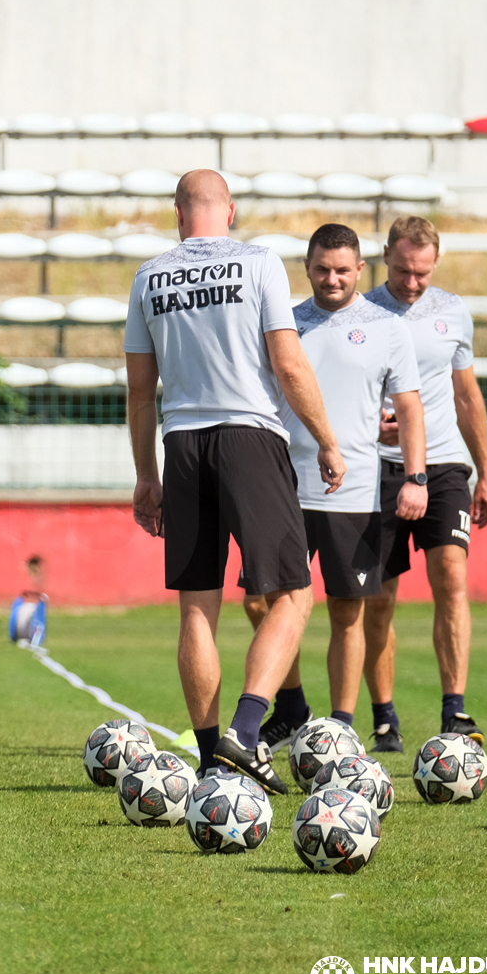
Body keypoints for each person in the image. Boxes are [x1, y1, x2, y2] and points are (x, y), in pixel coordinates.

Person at [124, 169, 344, 794]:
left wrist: (147, 476)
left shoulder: (149, 276)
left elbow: (141, 391)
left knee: (197, 607)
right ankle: (245, 734)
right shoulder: (259, 263)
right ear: (232, 210)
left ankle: (208, 758)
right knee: (295, 595)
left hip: (182, 444)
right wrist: (327, 439)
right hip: (249, 437)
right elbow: (288, 361)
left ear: (177, 213)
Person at [241, 224, 427, 753]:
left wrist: (415, 477)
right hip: (283, 487)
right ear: (307, 267)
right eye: (322, 269)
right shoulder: (284, 323)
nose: (332, 279)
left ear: (360, 270)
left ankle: (341, 729)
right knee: (261, 601)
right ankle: (294, 706)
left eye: (342, 270)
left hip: (356, 492)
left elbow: (409, 406)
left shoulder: (387, 326)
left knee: (348, 611)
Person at [360, 216, 487, 751]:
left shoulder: (453, 311)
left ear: (434, 262)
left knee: (451, 578)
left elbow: (467, 397)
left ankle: (454, 711)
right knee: (380, 594)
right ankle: (385, 717)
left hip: (443, 465)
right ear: (385, 258)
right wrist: (369, 424)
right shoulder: (363, 311)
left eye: (420, 272)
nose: (411, 282)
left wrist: (485, 472)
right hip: (377, 466)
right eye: (401, 270)